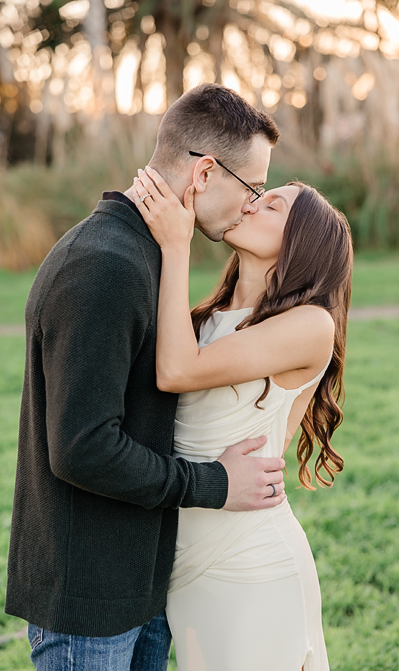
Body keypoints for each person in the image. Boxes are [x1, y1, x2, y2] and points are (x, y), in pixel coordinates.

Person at [5, 83, 289, 671]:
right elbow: (83, 449)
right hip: (90, 600)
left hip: (139, 582)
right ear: (205, 173)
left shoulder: (149, 253)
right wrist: (214, 483)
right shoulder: (105, 265)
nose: (252, 204)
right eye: (252, 187)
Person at [131, 168, 351, 670]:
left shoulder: (310, 325)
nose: (250, 204)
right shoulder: (205, 321)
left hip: (250, 563)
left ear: (303, 245)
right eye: (258, 196)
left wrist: (176, 244)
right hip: (184, 566)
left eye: (272, 205)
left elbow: (176, 370)